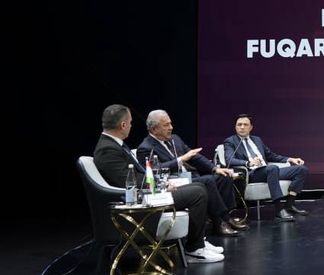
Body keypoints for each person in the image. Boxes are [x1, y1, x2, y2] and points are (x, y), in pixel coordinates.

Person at [92, 104, 224, 264]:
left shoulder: (114, 145)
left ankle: (198, 242)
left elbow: (138, 175)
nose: (131, 126)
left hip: (146, 194)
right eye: (131, 122)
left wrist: (162, 183)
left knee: (199, 186)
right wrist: (161, 187)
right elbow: (127, 181)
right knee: (197, 192)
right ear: (123, 124)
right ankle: (194, 249)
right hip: (138, 202)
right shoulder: (108, 149)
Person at [136, 109, 246, 237]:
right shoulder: (145, 148)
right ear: (154, 129)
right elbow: (153, 172)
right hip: (173, 184)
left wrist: (215, 169)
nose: (171, 127)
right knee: (208, 181)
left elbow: (194, 156)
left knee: (224, 176)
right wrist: (180, 160)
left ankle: (226, 217)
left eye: (170, 123)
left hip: (190, 178)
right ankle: (219, 223)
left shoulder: (175, 139)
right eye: (166, 125)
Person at [222, 113, 310, 222]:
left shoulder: (257, 140)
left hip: (269, 171)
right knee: (272, 168)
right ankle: (278, 210)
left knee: (301, 169)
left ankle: (289, 205)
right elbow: (230, 160)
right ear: (235, 127)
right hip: (252, 174)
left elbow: (271, 156)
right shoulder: (230, 141)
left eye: (245, 124)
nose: (242, 127)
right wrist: (249, 163)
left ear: (251, 127)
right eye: (239, 125)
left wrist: (290, 159)